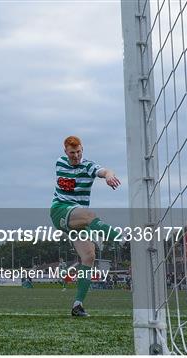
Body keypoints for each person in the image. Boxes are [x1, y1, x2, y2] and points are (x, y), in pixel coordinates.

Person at [50, 135, 122, 317]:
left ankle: (77, 305)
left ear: (83, 150)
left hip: (77, 219)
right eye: (72, 152)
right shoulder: (60, 163)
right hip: (60, 211)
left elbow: (103, 171)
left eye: (79, 152)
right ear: (65, 152)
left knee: (89, 257)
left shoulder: (88, 166)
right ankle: (121, 239)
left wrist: (109, 175)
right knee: (90, 215)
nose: (76, 155)